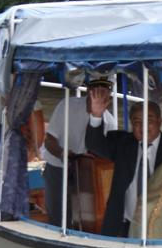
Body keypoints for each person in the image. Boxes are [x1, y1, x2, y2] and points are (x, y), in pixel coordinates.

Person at [85, 100, 162, 237]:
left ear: (160, 121)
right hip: (124, 225)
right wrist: (96, 115)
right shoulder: (122, 143)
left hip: (161, 224)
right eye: (137, 122)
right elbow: (94, 145)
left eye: (149, 120)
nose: (143, 126)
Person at [41, 77, 115, 227]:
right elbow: (49, 140)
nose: (100, 93)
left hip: (87, 175)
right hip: (58, 168)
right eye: (96, 88)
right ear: (88, 90)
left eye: (104, 89)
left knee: (88, 219)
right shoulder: (67, 106)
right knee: (58, 218)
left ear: (110, 96)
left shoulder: (110, 121)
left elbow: (106, 155)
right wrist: (63, 154)